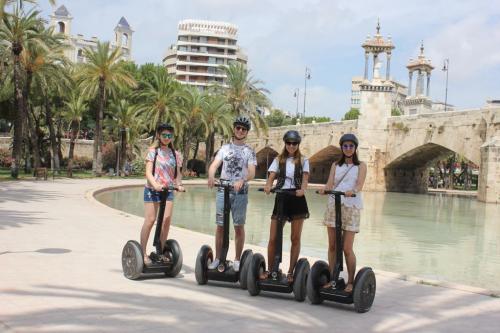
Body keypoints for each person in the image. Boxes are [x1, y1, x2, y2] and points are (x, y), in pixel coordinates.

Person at [207, 115, 256, 272]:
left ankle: (236, 259)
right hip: (223, 190)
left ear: (247, 132)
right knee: (220, 226)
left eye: (244, 129)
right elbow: (214, 165)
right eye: (238, 128)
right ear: (234, 129)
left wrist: (243, 179)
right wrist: (211, 176)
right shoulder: (224, 148)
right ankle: (217, 257)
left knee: (238, 226)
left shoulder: (249, 151)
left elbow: (252, 172)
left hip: (240, 192)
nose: (240, 131)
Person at [320, 133, 366, 293]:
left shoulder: (361, 165)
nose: (348, 149)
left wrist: (352, 191)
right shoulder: (335, 165)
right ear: (342, 148)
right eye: (345, 146)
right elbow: (330, 183)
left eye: (351, 146)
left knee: (347, 248)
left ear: (355, 148)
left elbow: (360, 184)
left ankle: (351, 281)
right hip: (334, 204)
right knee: (332, 245)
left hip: (351, 206)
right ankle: (333, 279)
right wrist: (324, 190)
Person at [262, 130, 310, 283]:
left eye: (294, 143)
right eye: (288, 143)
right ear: (285, 143)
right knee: (273, 237)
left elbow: (305, 179)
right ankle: (271, 270)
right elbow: (271, 177)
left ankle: (290, 272)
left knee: (295, 238)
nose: (291, 146)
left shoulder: (303, 160)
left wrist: (302, 190)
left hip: (296, 199)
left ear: (298, 144)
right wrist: (268, 186)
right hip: (281, 198)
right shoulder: (278, 159)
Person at [141, 123, 184, 265]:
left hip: (168, 190)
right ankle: (142, 252)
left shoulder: (175, 154)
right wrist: (155, 184)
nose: (167, 137)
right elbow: (148, 172)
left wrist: (178, 185)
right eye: (164, 135)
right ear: (159, 136)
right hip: (152, 189)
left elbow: (178, 174)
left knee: (166, 221)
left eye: (169, 135)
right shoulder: (153, 151)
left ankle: (159, 250)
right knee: (150, 220)